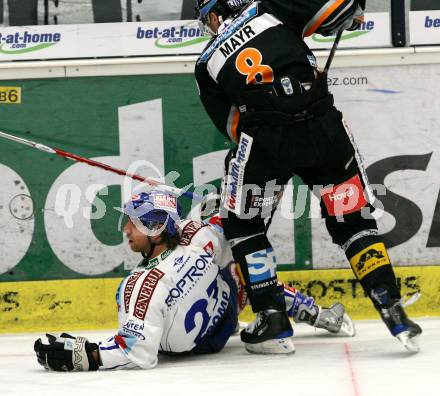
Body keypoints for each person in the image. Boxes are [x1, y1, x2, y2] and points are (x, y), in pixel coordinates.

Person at [194, 0, 421, 353]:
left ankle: (272, 318)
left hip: (266, 139)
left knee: (243, 224)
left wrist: (248, 160)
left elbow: (233, 126)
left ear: (214, 12)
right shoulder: (269, 6)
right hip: (323, 128)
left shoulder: (206, 61)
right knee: (353, 220)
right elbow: (341, 11)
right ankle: (391, 308)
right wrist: (354, 9)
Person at [34, 190, 355, 371]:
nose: (125, 231)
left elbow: (136, 352)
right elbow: (229, 216)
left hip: (194, 346)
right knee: (241, 273)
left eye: (132, 224)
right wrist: (215, 204)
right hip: (225, 316)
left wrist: (84, 354)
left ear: (156, 229)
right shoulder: (201, 237)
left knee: (233, 273)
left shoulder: (142, 284)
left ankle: (309, 314)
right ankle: (316, 313)